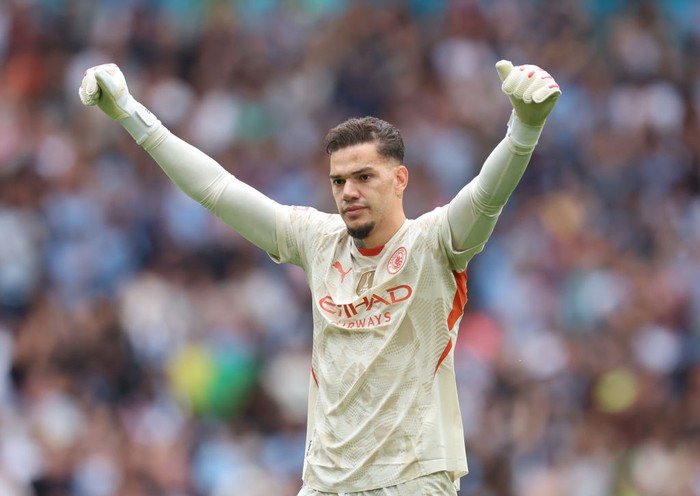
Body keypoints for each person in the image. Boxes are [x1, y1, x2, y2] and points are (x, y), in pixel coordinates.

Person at [79, 59, 560, 495]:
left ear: (400, 180)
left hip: (411, 480)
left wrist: (524, 127)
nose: (348, 192)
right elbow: (217, 190)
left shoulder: (433, 243)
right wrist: (130, 113)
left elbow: (485, 197)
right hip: (324, 484)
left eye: (364, 177)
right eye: (338, 181)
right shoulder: (317, 239)